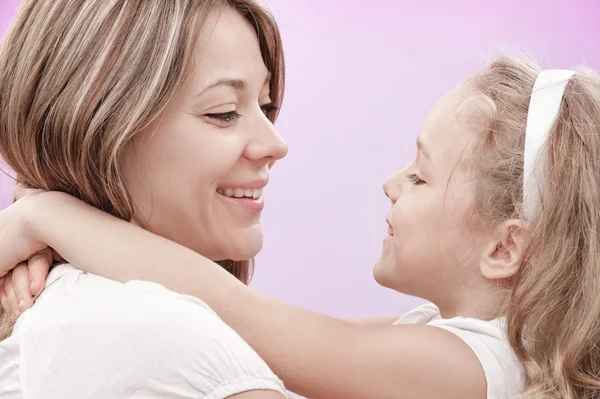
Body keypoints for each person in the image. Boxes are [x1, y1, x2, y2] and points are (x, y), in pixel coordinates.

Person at [5, 56, 600, 398]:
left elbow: (232, 311)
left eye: (421, 177)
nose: (391, 184)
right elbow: (250, 319)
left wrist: (47, 215)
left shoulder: (468, 367)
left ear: (504, 247)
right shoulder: (450, 339)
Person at [0, 0, 293, 398]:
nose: (275, 144)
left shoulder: (69, 318)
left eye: (265, 106)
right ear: (97, 127)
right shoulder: (159, 334)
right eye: (224, 112)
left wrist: (46, 216)